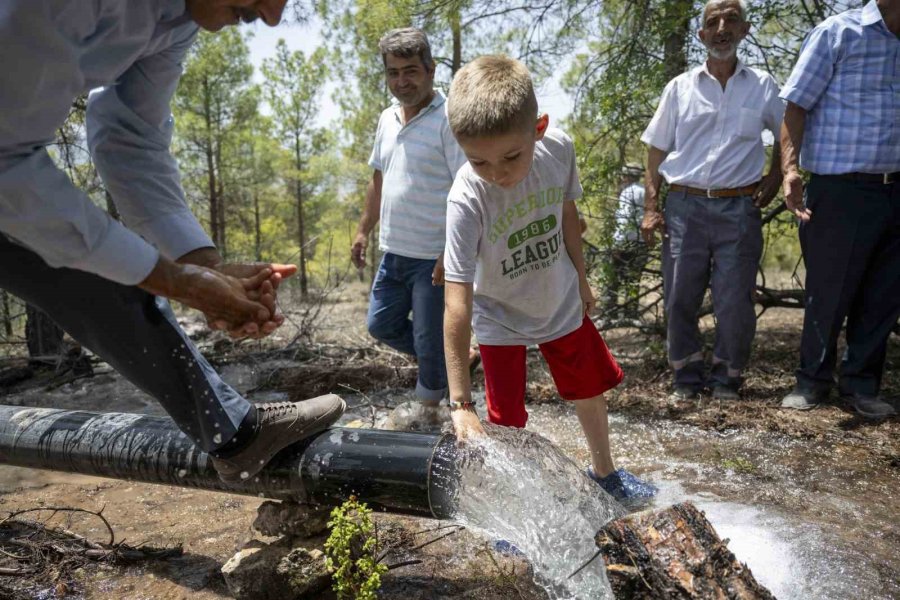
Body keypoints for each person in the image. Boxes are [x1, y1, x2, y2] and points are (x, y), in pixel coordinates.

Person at [0, 0, 345, 485]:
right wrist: (177, 281)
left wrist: (202, 265)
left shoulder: (179, 19)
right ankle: (234, 433)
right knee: (109, 263)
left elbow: (129, 135)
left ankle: (234, 434)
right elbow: (7, 164)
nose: (272, 16)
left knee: (107, 268)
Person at [442, 55, 657, 505]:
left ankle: (606, 474)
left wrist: (581, 279)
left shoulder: (558, 150)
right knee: (505, 419)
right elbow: (456, 302)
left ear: (538, 129)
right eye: (479, 161)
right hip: (500, 315)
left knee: (588, 387)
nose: (497, 174)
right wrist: (461, 405)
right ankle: (517, 503)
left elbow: (567, 215)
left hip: (557, 297)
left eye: (511, 157)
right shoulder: (466, 196)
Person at [640, 0, 784, 401]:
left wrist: (777, 174)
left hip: (739, 208)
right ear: (702, 35)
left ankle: (727, 378)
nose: (722, 28)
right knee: (679, 294)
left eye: (731, 20)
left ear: (744, 30)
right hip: (683, 207)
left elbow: (787, 131)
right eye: (712, 22)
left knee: (735, 299)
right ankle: (685, 376)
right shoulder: (680, 88)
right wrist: (651, 208)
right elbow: (654, 150)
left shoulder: (763, 87)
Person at [778, 0, 899, 419]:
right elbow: (795, 105)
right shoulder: (839, 33)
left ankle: (862, 386)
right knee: (829, 291)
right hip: (840, 189)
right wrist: (789, 170)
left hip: (896, 189)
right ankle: (811, 382)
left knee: (885, 293)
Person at [350, 28, 470, 425]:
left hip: (432, 256)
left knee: (425, 337)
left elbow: (465, 187)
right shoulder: (387, 118)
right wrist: (364, 229)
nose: (402, 81)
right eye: (393, 73)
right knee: (379, 324)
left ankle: (429, 412)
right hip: (393, 251)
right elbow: (379, 178)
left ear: (431, 70)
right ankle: (450, 357)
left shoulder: (449, 118)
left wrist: (448, 250)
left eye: (410, 71)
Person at [604, 163, 648, 321]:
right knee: (633, 279)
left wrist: (617, 244)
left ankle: (610, 314)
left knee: (613, 279)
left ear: (627, 176)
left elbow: (625, 219)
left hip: (626, 242)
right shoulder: (646, 192)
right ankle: (630, 314)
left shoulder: (627, 192)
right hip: (641, 243)